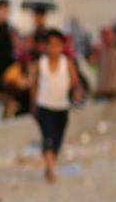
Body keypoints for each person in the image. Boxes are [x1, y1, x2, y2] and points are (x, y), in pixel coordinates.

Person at [30, 30, 83, 183]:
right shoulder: (40, 64)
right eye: (50, 45)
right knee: (47, 137)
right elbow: (33, 86)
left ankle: (50, 162)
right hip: (44, 106)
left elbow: (75, 83)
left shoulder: (67, 63)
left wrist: (76, 93)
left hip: (62, 107)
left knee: (57, 140)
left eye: (56, 45)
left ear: (62, 46)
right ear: (45, 46)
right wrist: (33, 106)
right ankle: (50, 167)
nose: (53, 48)